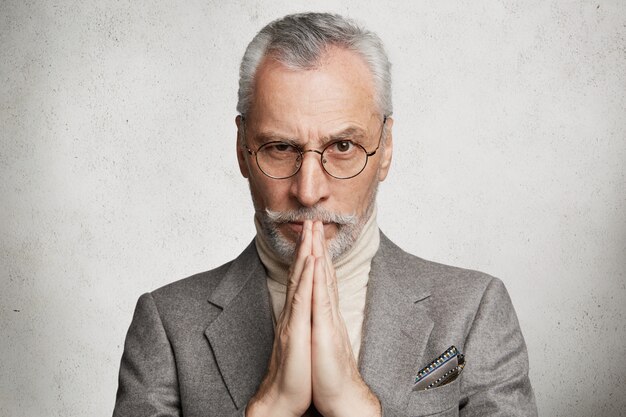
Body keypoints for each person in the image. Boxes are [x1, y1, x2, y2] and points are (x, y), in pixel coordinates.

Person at [113, 12, 537, 417]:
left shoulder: (474, 310)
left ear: (385, 148)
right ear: (242, 148)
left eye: (343, 147)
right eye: (280, 148)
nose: (309, 192)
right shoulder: (166, 325)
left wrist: (358, 408)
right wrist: (270, 407)